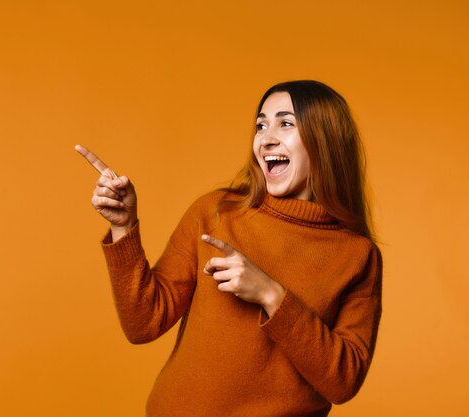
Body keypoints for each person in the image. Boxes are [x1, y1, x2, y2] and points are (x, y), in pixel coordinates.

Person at [75, 80, 382, 417]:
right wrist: (124, 227)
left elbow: (343, 381)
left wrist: (271, 295)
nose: (266, 138)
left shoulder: (357, 255)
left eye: (286, 123)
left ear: (326, 140)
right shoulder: (216, 212)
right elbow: (143, 323)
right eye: (261, 125)